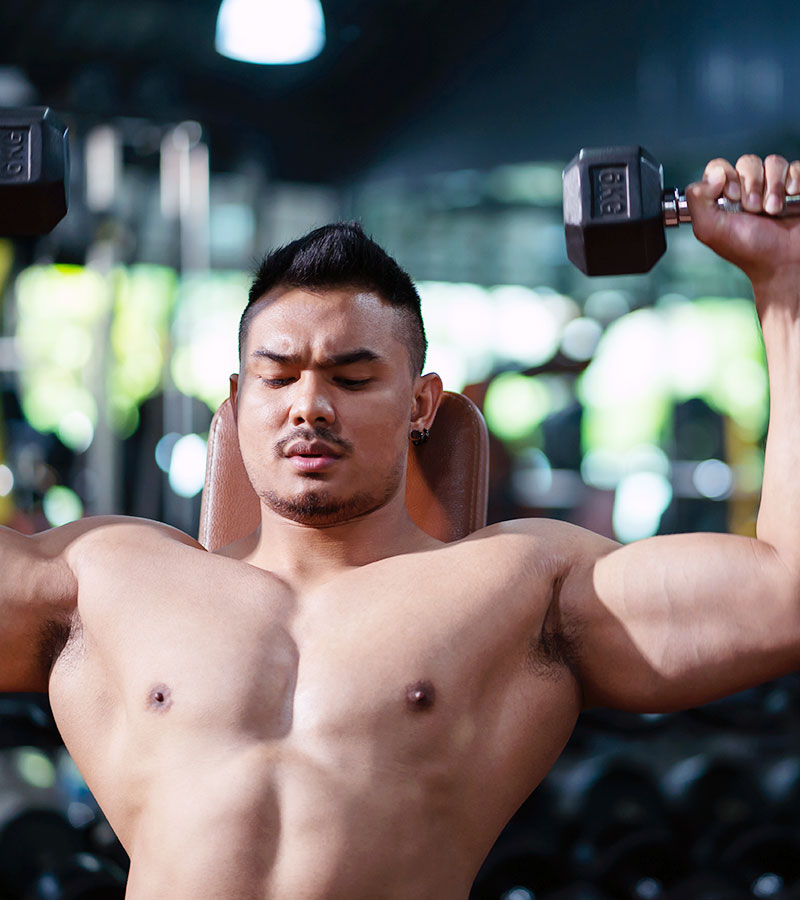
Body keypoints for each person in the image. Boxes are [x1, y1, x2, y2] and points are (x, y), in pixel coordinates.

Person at [2, 152, 800, 900]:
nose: (308, 406)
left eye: (351, 377)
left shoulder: (519, 585)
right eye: (277, 377)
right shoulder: (107, 578)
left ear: (422, 404)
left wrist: (786, 286)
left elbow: (785, 589)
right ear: (238, 398)